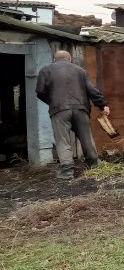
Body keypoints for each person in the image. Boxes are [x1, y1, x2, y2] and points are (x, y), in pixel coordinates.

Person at [34, 50, 110, 180]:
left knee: (62, 140)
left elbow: (40, 91)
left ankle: (67, 171)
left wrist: (52, 102)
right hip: (81, 108)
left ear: (54, 59)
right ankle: (93, 164)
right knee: (86, 137)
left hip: (59, 110)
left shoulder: (45, 70)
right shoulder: (80, 71)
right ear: (70, 59)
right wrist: (103, 105)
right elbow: (92, 90)